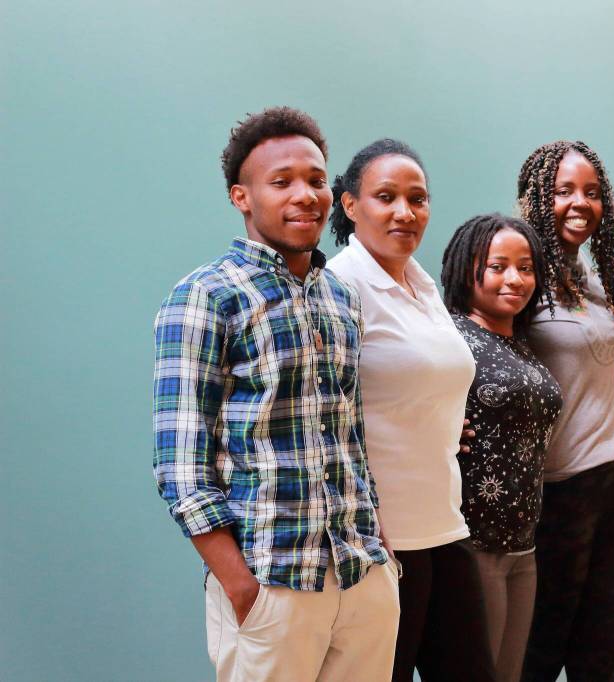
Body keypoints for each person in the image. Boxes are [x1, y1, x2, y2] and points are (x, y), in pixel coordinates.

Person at [153, 107, 399, 682]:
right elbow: (180, 468)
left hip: (361, 575)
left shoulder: (340, 297)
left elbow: (349, 433)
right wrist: (242, 589)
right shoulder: (206, 296)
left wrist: (381, 552)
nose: (305, 195)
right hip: (272, 582)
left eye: (316, 180)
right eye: (281, 181)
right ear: (241, 197)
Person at [325, 139, 495, 682]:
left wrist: (441, 415)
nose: (405, 211)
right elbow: (324, 414)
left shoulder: (420, 282)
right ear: (350, 205)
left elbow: (422, 379)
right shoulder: (339, 288)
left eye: (417, 199)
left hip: (443, 522)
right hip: (382, 539)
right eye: (386, 197)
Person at [516, 140, 614, 682]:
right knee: (542, 650)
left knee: (600, 649)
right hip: (555, 491)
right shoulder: (520, 272)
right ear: (536, 198)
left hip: (612, 482)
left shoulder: (593, 274)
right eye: (564, 190)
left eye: (591, 191)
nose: (580, 203)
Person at [440, 213, 563, 682]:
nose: (515, 279)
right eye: (498, 266)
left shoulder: (520, 343)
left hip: (522, 541)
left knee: (510, 673)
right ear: (466, 270)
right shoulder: (451, 339)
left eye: (526, 268)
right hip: (473, 540)